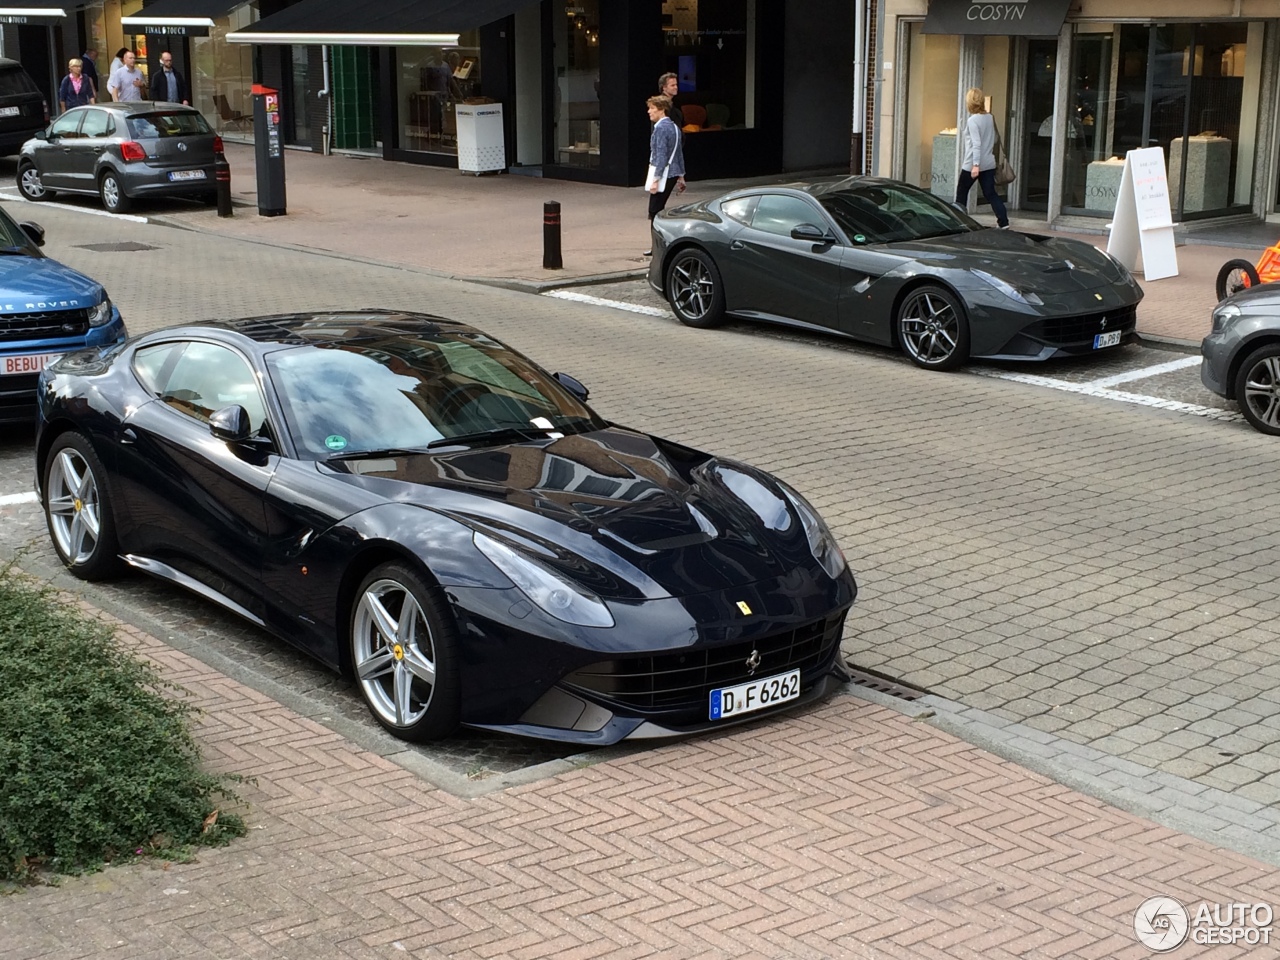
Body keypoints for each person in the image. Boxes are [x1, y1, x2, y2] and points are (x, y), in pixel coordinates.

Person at [955, 86, 1009, 229]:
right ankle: (1003, 222)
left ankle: (959, 223)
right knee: (990, 193)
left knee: (961, 193)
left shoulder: (973, 120)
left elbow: (976, 144)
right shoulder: (989, 117)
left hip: (972, 163)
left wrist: (975, 165)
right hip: (989, 162)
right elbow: (996, 138)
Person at [643, 94, 685, 256]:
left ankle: (659, 247)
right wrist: (681, 175)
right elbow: (678, 153)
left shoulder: (660, 128)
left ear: (661, 110)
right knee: (657, 209)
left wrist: (656, 179)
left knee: (655, 211)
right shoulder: (674, 127)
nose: (649, 111)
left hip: (663, 174)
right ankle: (659, 246)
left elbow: (661, 155)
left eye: (652, 108)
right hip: (673, 173)